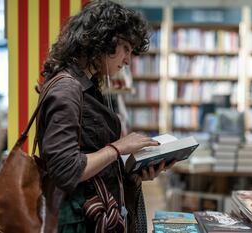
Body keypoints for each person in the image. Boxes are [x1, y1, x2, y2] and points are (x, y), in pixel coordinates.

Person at [37, 1, 172, 232]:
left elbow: (90, 154)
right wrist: (119, 147)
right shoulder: (67, 90)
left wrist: (134, 171)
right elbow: (66, 170)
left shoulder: (86, 85)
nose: (129, 60)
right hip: (79, 220)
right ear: (105, 41)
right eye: (126, 49)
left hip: (93, 214)